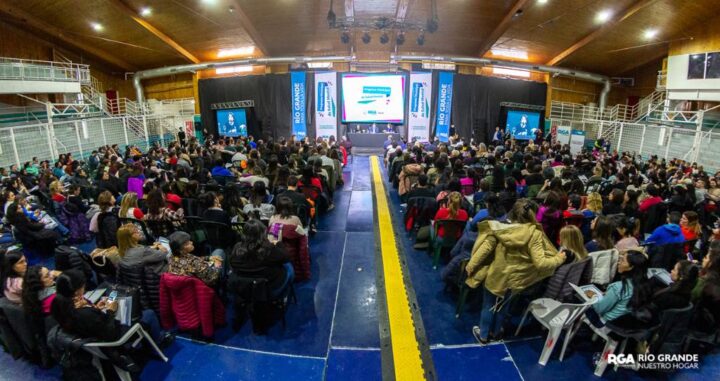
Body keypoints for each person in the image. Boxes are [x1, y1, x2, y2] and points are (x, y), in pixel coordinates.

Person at [467, 199, 566, 343]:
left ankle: (483, 336)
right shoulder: (535, 234)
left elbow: (484, 249)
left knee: (488, 306)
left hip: (496, 275)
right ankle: (496, 333)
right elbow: (541, 263)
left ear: (513, 211)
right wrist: (560, 258)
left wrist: (471, 266)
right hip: (516, 279)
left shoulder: (500, 228)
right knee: (503, 307)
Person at [50, 269, 172, 371]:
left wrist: (95, 308)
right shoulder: (83, 313)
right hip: (113, 338)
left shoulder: (59, 305)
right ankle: (159, 341)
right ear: (77, 291)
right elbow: (111, 333)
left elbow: (90, 322)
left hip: (92, 337)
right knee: (148, 314)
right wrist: (111, 311)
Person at [585, 250, 652, 329]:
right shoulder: (645, 285)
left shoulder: (619, 287)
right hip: (624, 325)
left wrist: (594, 296)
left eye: (622, 261)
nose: (618, 262)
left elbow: (599, 309)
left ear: (631, 267)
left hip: (605, 324)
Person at [230, 219, 293, 294]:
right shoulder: (269, 249)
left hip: (244, 289)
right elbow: (287, 257)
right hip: (268, 290)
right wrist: (279, 244)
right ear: (262, 234)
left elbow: (232, 264)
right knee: (288, 266)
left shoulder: (237, 248)